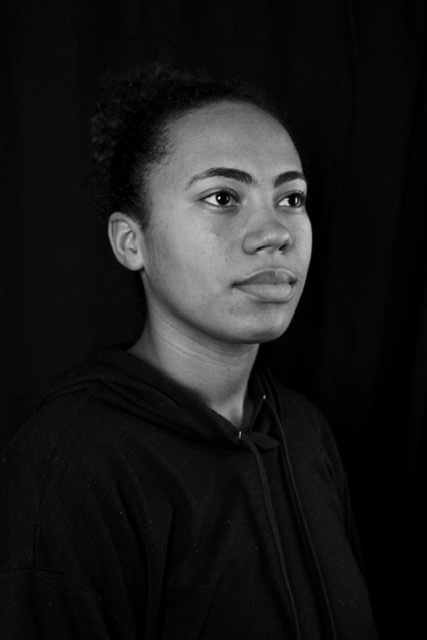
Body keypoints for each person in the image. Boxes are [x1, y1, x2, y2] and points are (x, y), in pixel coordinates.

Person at [0, 64, 379, 639]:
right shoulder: (69, 473)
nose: (275, 232)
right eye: (222, 197)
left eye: (292, 198)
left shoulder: (305, 433)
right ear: (132, 242)